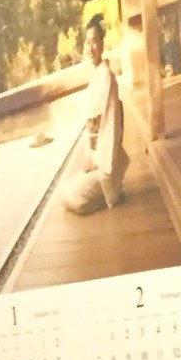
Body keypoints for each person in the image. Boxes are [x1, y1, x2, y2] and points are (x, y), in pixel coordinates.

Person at [61, 16, 128, 216]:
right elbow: (92, 125)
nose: (91, 48)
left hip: (105, 163)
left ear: (102, 44)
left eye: (95, 42)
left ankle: (111, 189)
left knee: (70, 196)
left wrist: (97, 160)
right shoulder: (98, 74)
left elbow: (106, 127)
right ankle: (109, 187)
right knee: (67, 187)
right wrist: (89, 157)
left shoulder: (106, 76)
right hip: (97, 158)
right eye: (88, 43)